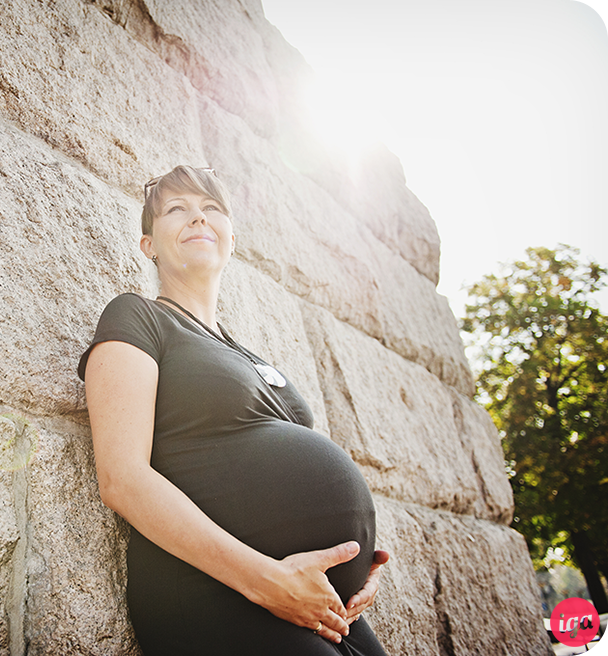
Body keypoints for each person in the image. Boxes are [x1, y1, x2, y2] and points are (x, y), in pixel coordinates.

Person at [78, 166, 390, 655]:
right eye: (177, 210)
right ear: (148, 245)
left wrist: (359, 569)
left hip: (317, 601)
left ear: (230, 237)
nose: (197, 218)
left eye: (211, 209)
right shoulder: (138, 316)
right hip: (217, 593)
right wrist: (266, 581)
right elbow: (122, 477)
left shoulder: (248, 353)